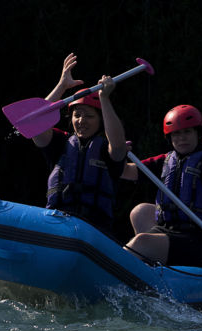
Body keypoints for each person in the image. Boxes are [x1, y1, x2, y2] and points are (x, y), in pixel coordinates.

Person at [123, 105, 202, 267]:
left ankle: (127, 271)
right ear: (169, 137)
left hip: (200, 241)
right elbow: (127, 172)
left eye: (187, 132)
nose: (181, 138)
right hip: (169, 231)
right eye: (176, 133)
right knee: (140, 211)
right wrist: (117, 151)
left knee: (141, 242)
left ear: (198, 133)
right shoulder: (165, 160)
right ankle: (148, 269)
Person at [31, 53, 127, 233]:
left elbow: (119, 145)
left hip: (95, 229)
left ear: (101, 121)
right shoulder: (59, 142)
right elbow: (35, 123)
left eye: (89, 116)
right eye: (77, 115)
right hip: (56, 223)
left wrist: (104, 98)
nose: (82, 120)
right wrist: (62, 86)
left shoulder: (108, 148)